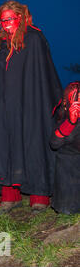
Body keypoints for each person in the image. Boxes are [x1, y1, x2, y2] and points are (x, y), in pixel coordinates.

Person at [0, 0, 63, 214]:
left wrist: (39, 104)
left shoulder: (34, 38)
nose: (5, 24)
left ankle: (39, 198)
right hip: (7, 105)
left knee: (33, 144)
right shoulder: (3, 43)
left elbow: (42, 76)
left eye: (10, 19)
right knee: (5, 144)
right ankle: (10, 197)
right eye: (2, 20)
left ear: (20, 17)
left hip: (32, 104)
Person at [49, 81, 80, 214]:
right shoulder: (63, 119)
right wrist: (71, 123)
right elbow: (54, 143)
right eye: (75, 100)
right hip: (69, 171)